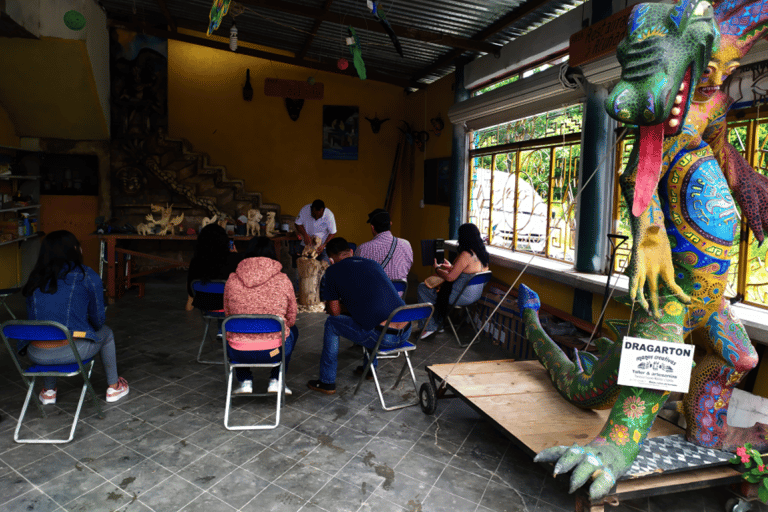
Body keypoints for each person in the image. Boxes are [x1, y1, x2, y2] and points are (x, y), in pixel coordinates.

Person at [22, 230, 129, 404]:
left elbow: (37, 320)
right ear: (74, 249)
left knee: (49, 331)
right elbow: (98, 320)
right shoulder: (86, 275)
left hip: (36, 354)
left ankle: (49, 392)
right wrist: (82, 324)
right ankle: (114, 387)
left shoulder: (35, 279)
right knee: (106, 333)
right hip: (71, 351)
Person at [307, 237, 409, 395]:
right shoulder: (373, 264)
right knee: (369, 319)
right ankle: (369, 369)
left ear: (331, 259)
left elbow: (334, 312)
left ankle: (326, 381)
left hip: (383, 338)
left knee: (332, 323)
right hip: (405, 333)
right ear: (351, 252)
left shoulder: (333, 271)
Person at [223, 236, 298, 395]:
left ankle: (244, 381)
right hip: (273, 352)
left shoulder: (232, 280)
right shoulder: (283, 280)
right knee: (293, 331)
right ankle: (276, 380)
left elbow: (228, 315)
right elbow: (291, 318)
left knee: (236, 330)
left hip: (239, 352)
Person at [417, 223, 489, 339]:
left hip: (459, 296)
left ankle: (431, 326)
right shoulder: (482, 254)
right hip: (474, 296)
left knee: (423, 288)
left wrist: (437, 269)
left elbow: (450, 278)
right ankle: (437, 324)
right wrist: (451, 267)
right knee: (436, 291)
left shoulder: (466, 254)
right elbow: (465, 271)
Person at [186, 223, 242, 312]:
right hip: (228, 305)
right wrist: (236, 256)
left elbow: (190, 288)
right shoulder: (234, 259)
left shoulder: (196, 261)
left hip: (204, 304)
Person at [355, 208, 413, 283]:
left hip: (374, 293)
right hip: (398, 293)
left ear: (372, 228)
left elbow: (357, 273)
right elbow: (407, 268)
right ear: (390, 223)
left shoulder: (362, 249)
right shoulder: (406, 244)